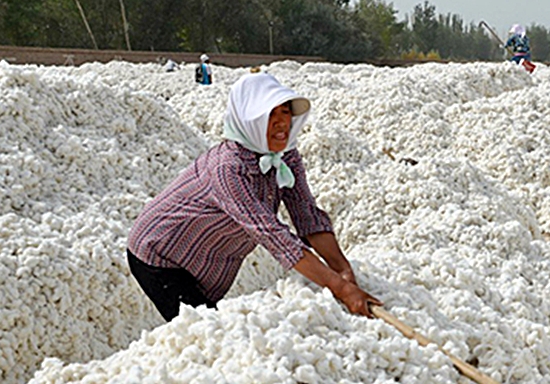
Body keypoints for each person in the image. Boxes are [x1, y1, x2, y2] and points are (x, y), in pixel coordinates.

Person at [127, 72, 380, 322]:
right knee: (202, 328)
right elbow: (272, 235)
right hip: (161, 254)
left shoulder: (285, 155)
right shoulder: (228, 168)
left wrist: (343, 270)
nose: (281, 122)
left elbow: (306, 214)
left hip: (206, 256)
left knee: (211, 322)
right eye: (270, 114)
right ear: (249, 120)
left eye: (285, 111)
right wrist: (341, 289)